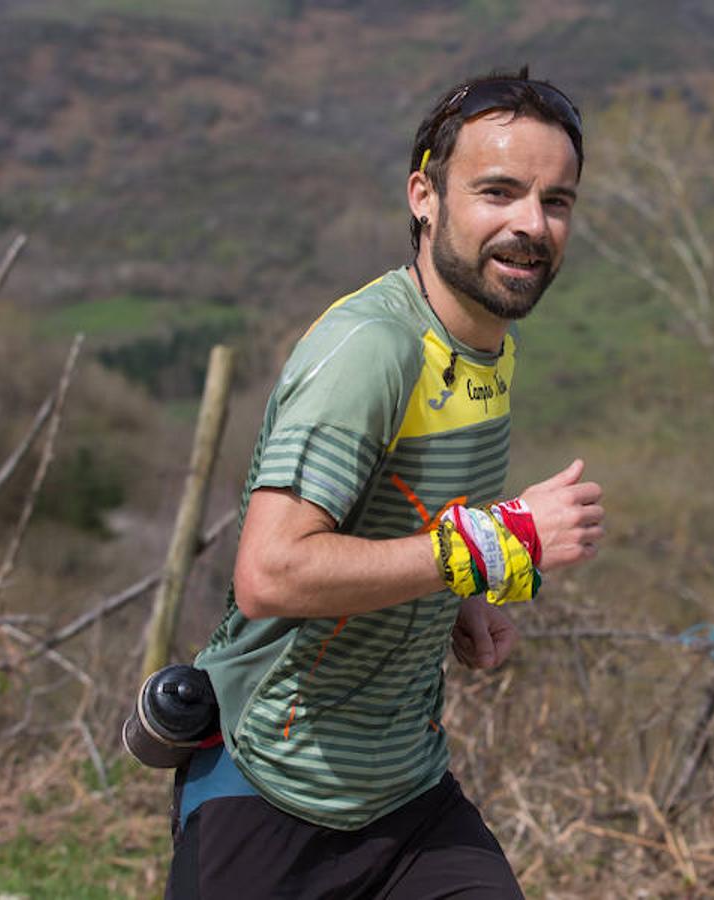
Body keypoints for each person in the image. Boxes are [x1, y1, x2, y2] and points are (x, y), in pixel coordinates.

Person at [164, 69, 603, 899]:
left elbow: (416, 526)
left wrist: (469, 596)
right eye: (499, 191)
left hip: (405, 796)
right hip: (268, 786)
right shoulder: (375, 351)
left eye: (558, 201)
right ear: (425, 197)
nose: (531, 225)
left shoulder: (487, 345)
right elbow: (270, 574)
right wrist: (496, 542)